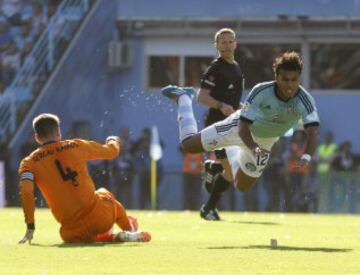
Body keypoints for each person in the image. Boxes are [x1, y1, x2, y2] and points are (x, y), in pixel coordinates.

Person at [161, 51, 320, 220]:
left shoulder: (305, 100)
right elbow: (243, 126)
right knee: (189, 145)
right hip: (238, 128)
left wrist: (308, 156)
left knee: (242, 186)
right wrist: (253, 148)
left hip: (265, 142)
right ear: (276, 77)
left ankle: (225, 157)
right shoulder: (261, 91)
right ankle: (184, 98)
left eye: (294, 80)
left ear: (299, 79)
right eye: (285, 79)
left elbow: (313, 132)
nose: (289, 85)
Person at [18, 113, 151, 244]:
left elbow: (26, 191)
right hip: (100, 218)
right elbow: (111, 152)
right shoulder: (76, 145)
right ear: (58, 132)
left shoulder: (29, 162)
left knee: (85, 236)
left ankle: (114, 237)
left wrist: (30, 226)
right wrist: (113, 140)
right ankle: (130, 229)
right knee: (104, 193)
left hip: (71, 232)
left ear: (37, 137)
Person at [163, 28, 244, 219]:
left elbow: (231, 100)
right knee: (232, 172)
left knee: (232, 173)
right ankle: (210, 187)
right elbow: (202, 96)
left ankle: (209, 200)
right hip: (218, 124)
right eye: (222, 42)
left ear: (235, 43)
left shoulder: (236, 67)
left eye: (229, 41)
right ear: (216, 46)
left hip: (231, 123)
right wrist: (221, 105)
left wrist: (241, 108)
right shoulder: (216, 68)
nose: (226, 45)